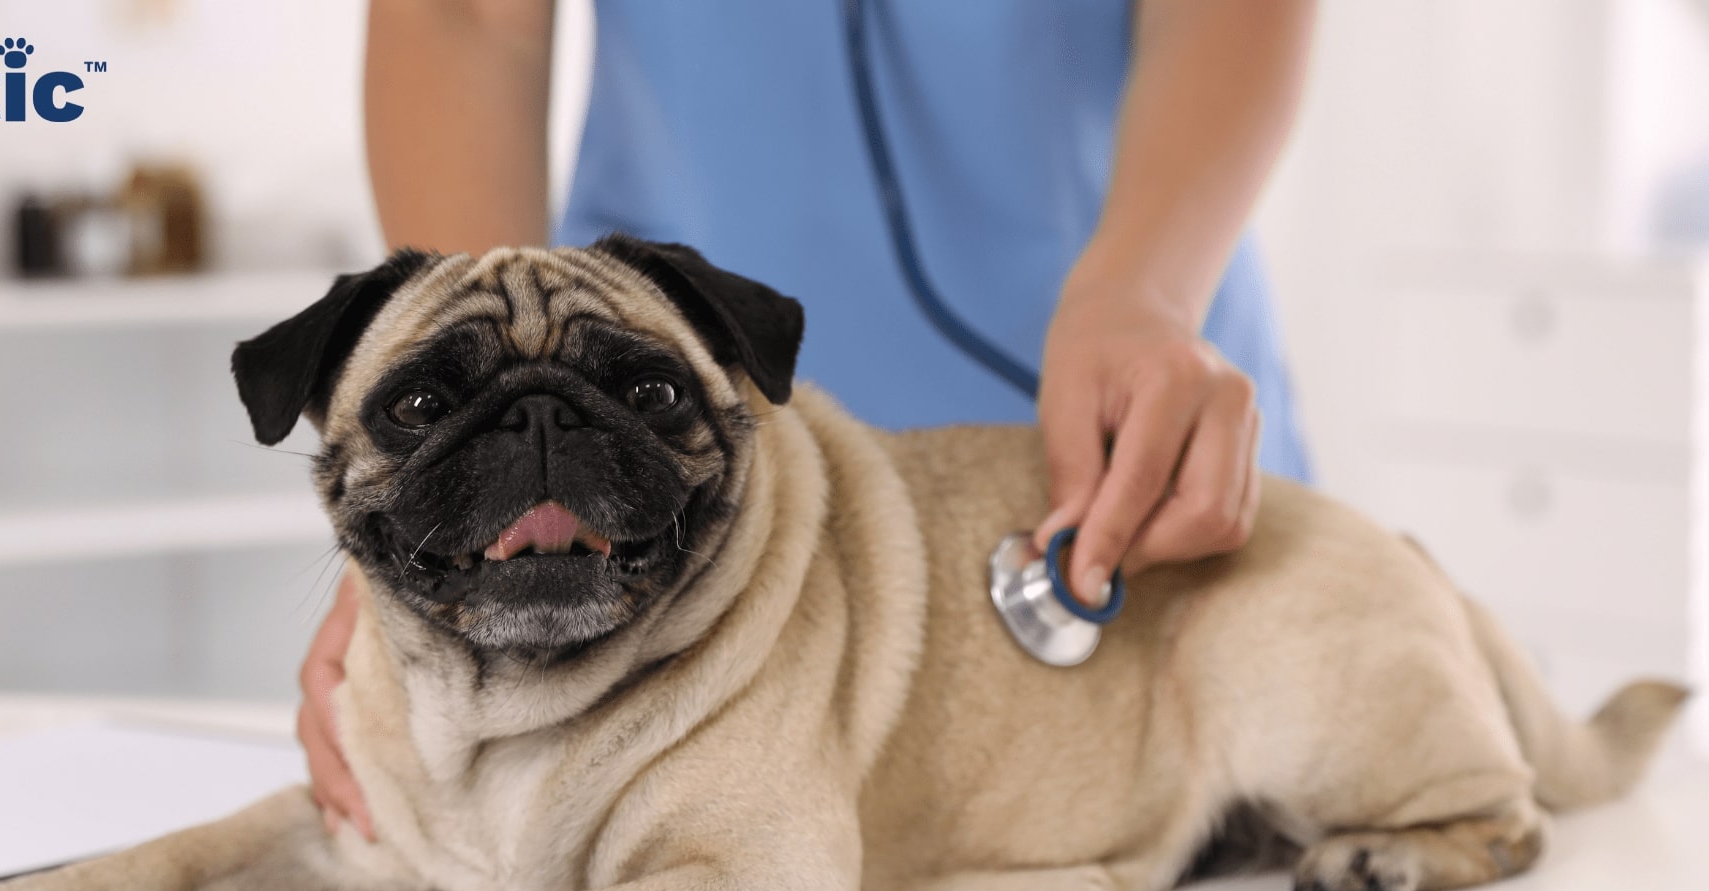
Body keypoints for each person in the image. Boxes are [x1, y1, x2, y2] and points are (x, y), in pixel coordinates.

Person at [301, 0, 1317, 838]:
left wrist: (1143, 295)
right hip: (640, 488)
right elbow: (466, 18)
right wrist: (480, 483)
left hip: (1116, 423)